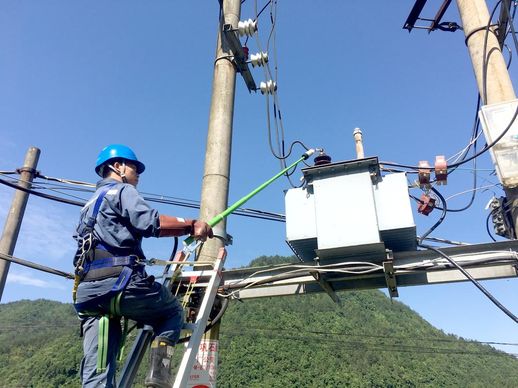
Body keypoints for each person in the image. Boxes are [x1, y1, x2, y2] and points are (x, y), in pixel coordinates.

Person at [73, 144, 213, 388]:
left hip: (88, 295)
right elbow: (152, 223)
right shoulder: (121, 191)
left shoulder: (87, 206)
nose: (138, 174)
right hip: (122, 285)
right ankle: (158, 377)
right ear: (117, 167)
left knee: (98, 371)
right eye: (134, 168)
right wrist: (192, 225)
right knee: (171, 312)